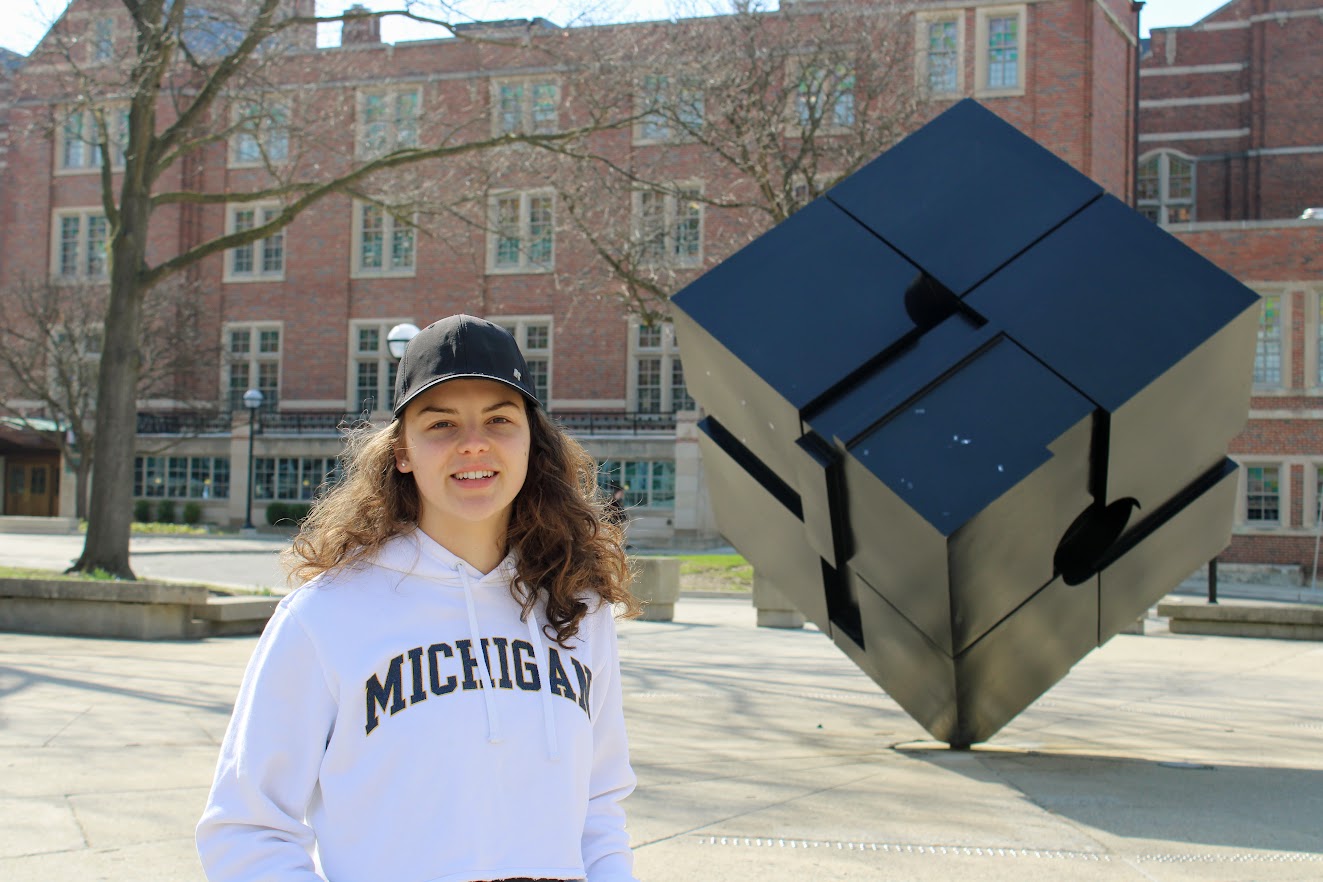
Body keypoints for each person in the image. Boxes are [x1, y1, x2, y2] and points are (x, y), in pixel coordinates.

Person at [196, 315, 641, 882]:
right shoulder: (326, 616)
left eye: (500, 419)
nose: (473, 442)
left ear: (533, 443)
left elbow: (598, 805)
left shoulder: (577, 608)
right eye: (442, 424)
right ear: (402, 451)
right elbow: (247, 828)